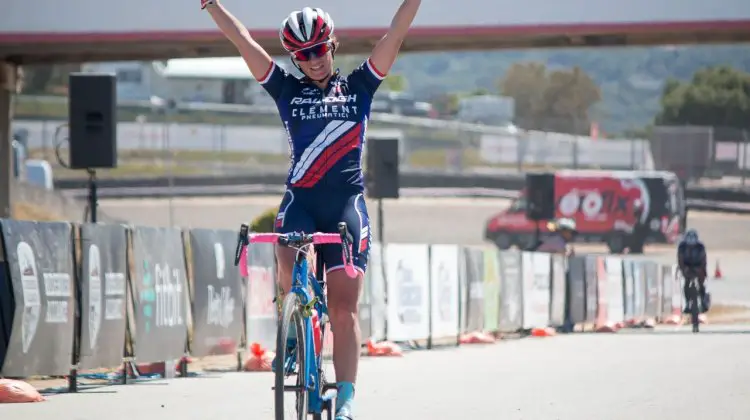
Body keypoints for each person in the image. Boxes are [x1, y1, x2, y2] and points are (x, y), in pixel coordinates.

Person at [203, 1, 422, 419]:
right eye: (302, 54)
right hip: (300, 201)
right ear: (293, 58)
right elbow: (241, 40)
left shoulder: (359, 85)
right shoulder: (286, 88)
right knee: (287, 264)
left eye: (319, 49)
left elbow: (395, 33)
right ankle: (293, 328)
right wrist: (211, 4)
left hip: (345, 205)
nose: (314, 60)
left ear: (333, 45)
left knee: (343, 309)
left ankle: (345, 399)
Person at [677, 229, 708, 313]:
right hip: (687, 265)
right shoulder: (682, 246)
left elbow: (704, 260)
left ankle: (703, 300)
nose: (691, 247)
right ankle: (687, 303)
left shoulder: (700, 247)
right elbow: (680, 260)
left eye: (693, 246)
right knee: (686, 283)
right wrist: (683, 269)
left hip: (698, 265)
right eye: (689, 246)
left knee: (701, 282)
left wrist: (702, 271)